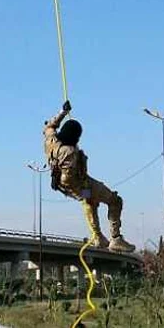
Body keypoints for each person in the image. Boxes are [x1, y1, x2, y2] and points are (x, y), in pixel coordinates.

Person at [44, 101, 135, 252]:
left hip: (66, 184)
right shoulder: (70, 152)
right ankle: (116, 238)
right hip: (78, 185)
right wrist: (86, 191)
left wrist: (63, 112)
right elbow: (69, 179)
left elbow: (49, 127)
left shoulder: (51, 140)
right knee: (114, 201)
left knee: (90, 203)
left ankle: (98, 237)